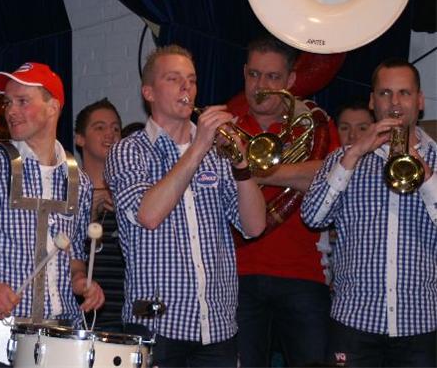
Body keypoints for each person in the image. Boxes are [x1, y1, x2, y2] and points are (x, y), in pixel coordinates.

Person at [105, 45, 265, 367]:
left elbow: (254, 225)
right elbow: (148, 215)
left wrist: (241, 164)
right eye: (174, 79)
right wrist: (198, 147)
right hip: (157, 326)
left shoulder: (217, 153)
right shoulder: (129, 151)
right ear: (148, 92)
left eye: (191, 80)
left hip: (217, 327)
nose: (186, 88)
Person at [0, 62, 105, 366]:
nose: (11, 111)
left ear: (53, 107)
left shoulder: (79, 181)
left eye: (22, 101)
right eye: (8, 102)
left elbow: (73, 255)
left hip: (61, 336)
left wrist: (81, 280)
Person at [302, 58, 437, 367]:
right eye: (385, 93)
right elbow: (312, 217)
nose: (395, 102)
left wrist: (425, 173)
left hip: (419, 324)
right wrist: (353, 155)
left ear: (419, 101)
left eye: (404, 93)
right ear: (372, 101)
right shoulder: (343, 158)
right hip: (354, 322)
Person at [234, 35, 340, 367]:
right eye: (254, 75)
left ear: (291, 80)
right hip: (238, 273)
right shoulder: (228, 128)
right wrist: (290, 174)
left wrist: (252, 172)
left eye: (273, 77)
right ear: (244, 73)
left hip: (303, 275)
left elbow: (327, 177)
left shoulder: (316, 126)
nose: (261, 86)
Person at [74, 98, 124, 331]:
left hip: (123, 317)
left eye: (116, 129)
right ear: (80, 138)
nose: (110, 134)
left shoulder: (130, 190)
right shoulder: (68, 190)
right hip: (79, 316)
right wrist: (90, 211)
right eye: (100, 127)